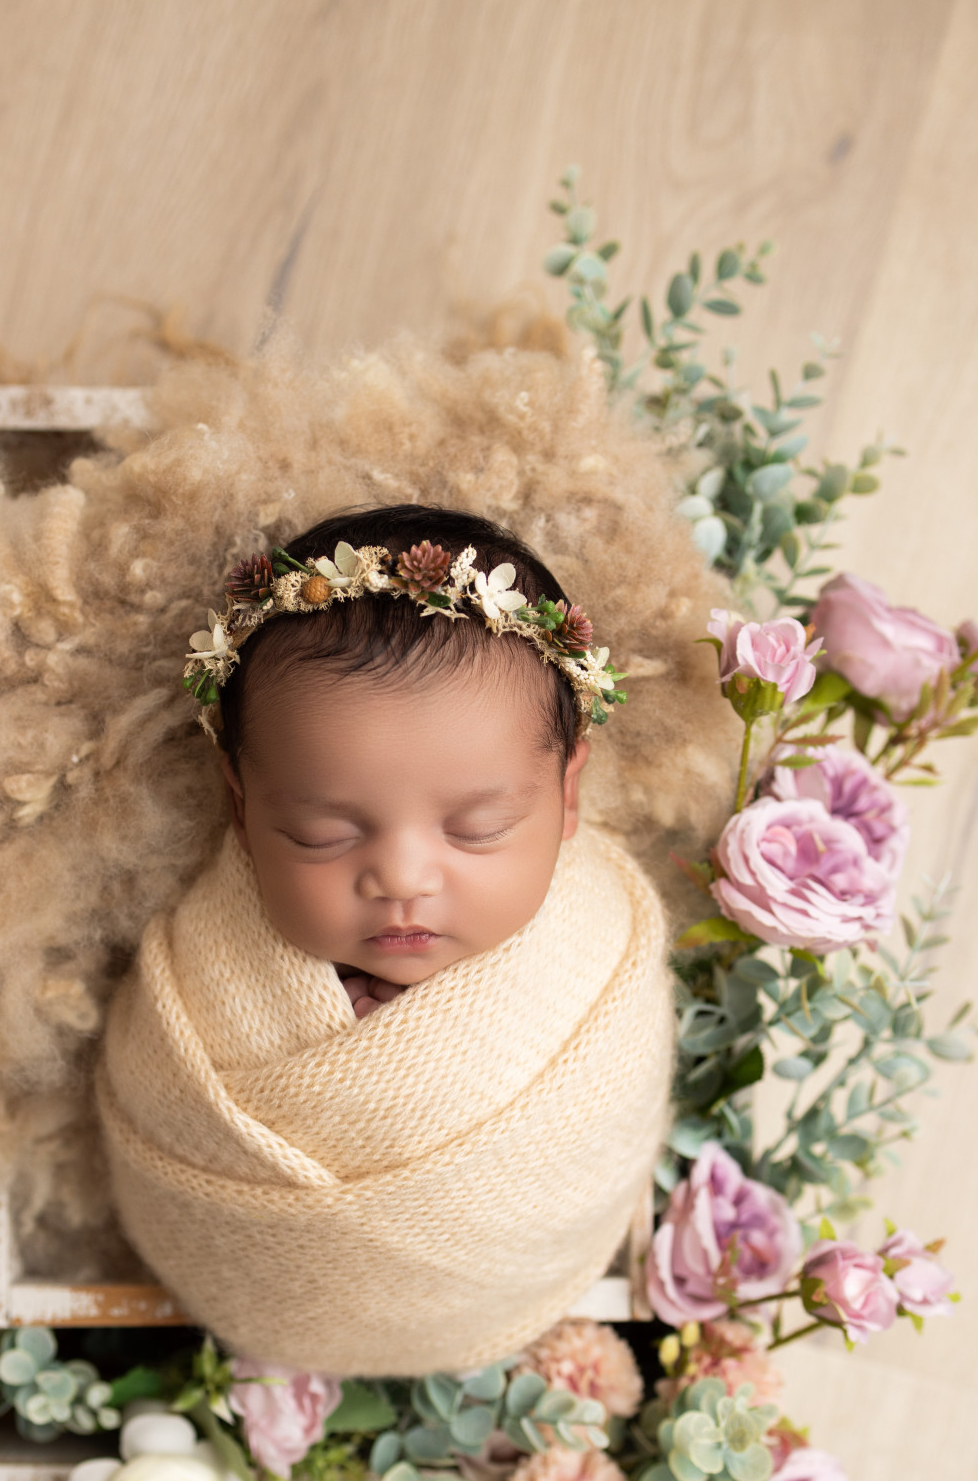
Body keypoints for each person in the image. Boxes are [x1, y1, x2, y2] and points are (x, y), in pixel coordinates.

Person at [97, 505, 675, 1376]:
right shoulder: (205, 990)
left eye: (477, 829)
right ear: (242, 806)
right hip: (248, 1277)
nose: (402, 878)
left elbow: (608, 1115)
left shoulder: (597, 958)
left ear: (568, 795)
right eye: (322, 834)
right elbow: (156, 1095)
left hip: (510, 1277)